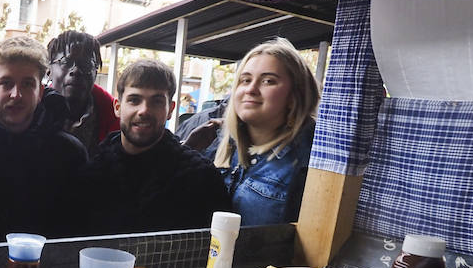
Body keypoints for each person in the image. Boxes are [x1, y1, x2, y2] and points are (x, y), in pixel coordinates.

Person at [65, 58, 230, 235]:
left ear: (170, 109)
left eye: (156, 101)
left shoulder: (200, 179)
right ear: (118, 107)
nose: (144, 110)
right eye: (134, 100)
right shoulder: (92, 174)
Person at [0, 36, 87, 243]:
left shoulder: (68, 153)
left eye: (27, 84)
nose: (16, 94)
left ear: (40, 92)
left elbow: (75, 230)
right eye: (6, 83)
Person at [205, 38, 320, 225]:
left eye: (268, 81)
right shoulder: (216, 143)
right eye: (245, 80)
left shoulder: (310, 161)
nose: (251, 89)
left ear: (294, 95)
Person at [45, 30, 119, 153]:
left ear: (96, 73)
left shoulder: (116, 122)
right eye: (66, 62)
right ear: (49, 71)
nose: (76, 70)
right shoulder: (29, 113)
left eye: (86, 64)